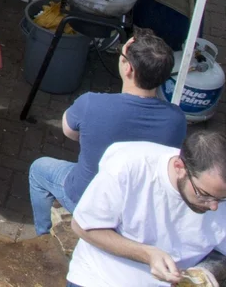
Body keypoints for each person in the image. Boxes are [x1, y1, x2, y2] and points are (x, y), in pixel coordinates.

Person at [28, 29, 186, 236]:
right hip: (135, 209)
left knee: (39, 169)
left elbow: (69, 131)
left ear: (128, 68)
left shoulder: (91, 103)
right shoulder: (177, 119)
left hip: (88, 197)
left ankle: (44, 234)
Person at [65, 131, 226, 287]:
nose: (214, 206)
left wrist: (204, 271)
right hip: (100, 278)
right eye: (204, 195)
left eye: (223, 198)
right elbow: (82, 226)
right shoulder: (129, 166)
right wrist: (147, 254)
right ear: (180, 167)